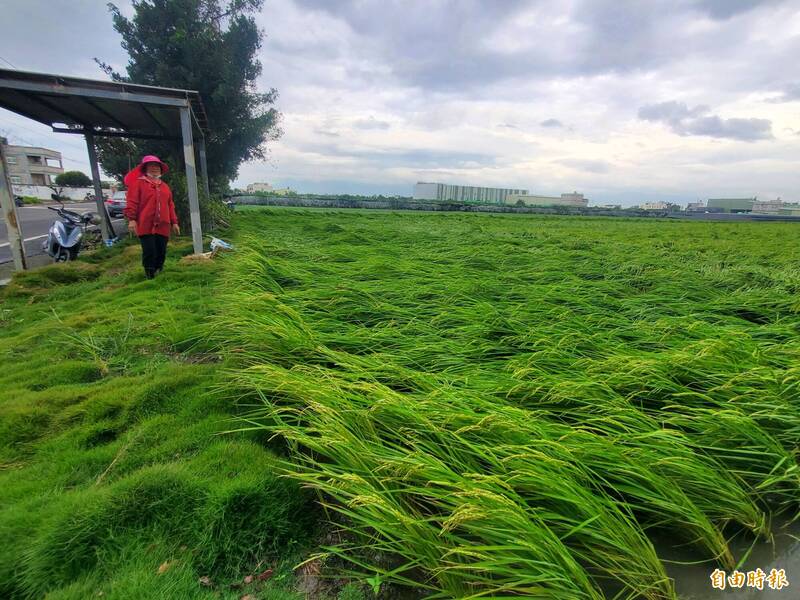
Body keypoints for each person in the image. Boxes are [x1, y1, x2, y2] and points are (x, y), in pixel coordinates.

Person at [122, 155, 180, 279]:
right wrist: (132, 220)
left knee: (161, 251)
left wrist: (174, 222)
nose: (155, 168)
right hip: (145, 224)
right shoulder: (138, 184)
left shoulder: (164, 186)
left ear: (160, 169)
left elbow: (170, 205)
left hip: (163, 225)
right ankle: (150, 275)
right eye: (151, 166)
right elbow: (132, 202)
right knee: (149, 251)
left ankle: (159, 271)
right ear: (145, 169)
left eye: (157, 166)